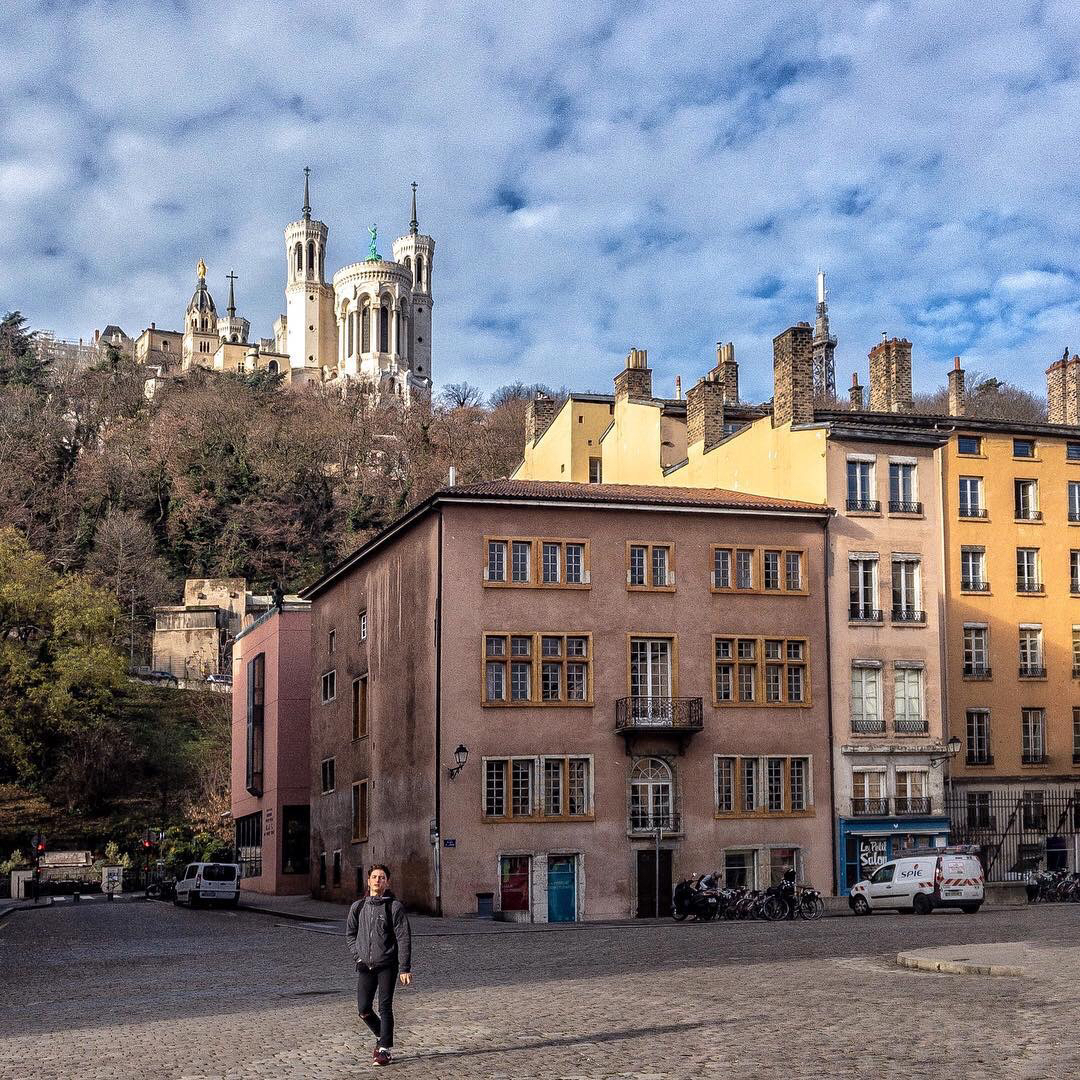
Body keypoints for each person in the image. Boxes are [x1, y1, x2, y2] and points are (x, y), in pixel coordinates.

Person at [346, 865, 412, 1067]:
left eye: (382, 878)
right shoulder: (358, 907)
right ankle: (380, 1034)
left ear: (387, 883)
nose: (377, 880)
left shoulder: (394, 907)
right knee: (363, 1009)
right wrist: (358, 956)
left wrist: (404, 968)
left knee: (385, 1007)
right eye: (374, 877)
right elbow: (350, 934)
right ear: (368, 881)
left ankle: (384, 1049)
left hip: (387, 965)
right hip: (365, 966)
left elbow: (404, 938)